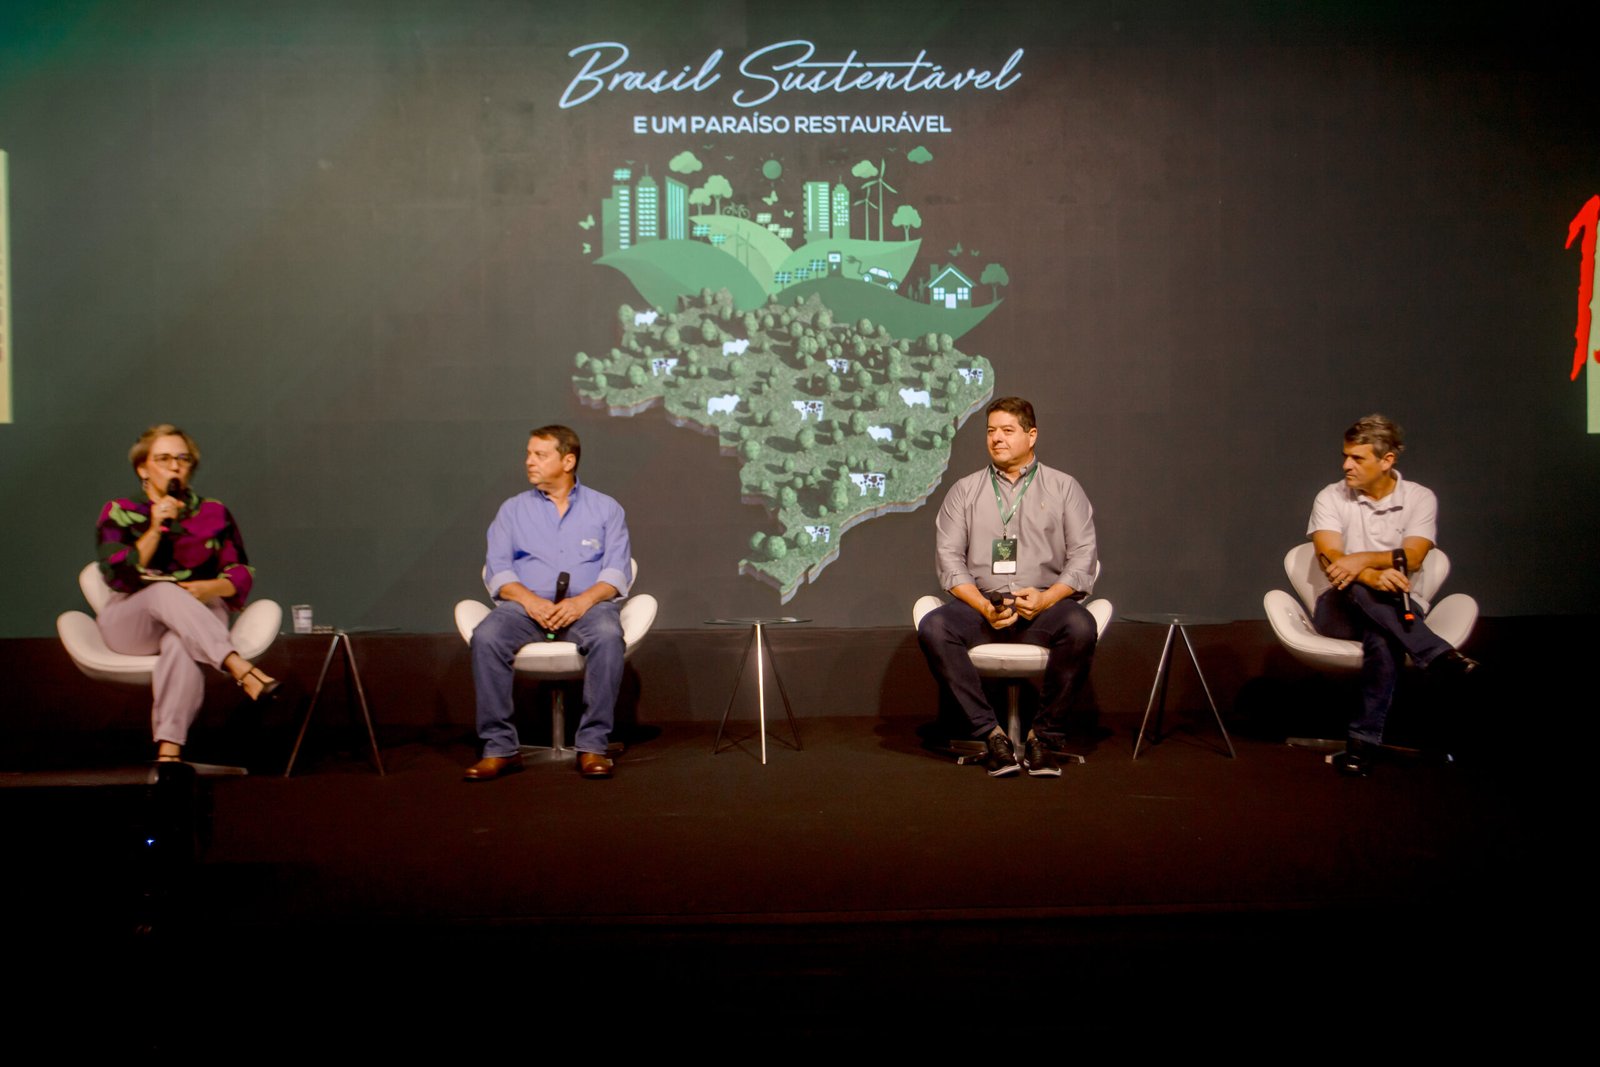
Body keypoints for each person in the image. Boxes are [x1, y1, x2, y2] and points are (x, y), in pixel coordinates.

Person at [917, 397, 1100, 778]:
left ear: (1031, 436)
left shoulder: (1064, 487)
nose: (996, 438)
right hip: (984, 605)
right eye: (990, 431)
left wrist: (1047, 598)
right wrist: (984, 607)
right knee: (934, 626)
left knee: (1081, 625)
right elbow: (949, 560)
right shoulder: (965, 491)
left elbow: (1083, 556)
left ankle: (1042, 738)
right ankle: (991, 735)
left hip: (1044, 605)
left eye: (1007, 430)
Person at [96, 424, 278, 763]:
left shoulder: (213, 513)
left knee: (181, 644)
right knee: (163, 592)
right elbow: (115, 574)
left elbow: (240, 571)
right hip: (133, 620)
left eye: (183, 459)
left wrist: (211, 587)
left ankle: (169, 755)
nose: (175, 466)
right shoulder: (120, 510)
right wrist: (155, 528)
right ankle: (240, 668)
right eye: (164, 459)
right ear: (143, 468)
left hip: (198, 615)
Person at [1307, 414, 1477, 777]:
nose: (1346, 465)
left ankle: (1360, 748)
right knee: (1358, 586)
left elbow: (1413, 557)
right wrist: (1370, 575)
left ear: (1387, 460)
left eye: (1357, 458)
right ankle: (1437, 654)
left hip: (1398, 609)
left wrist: (1359, 559)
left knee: (1382, 636)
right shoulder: (1330, 496)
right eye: (1345, 456)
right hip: (1339, 608)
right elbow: (1331, 558)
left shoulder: (1419, 497)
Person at [465, 425, 632, 781]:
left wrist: (581, 602)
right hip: (525, 609)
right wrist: (531, 602)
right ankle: (499, 748)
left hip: (588, 608)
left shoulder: (606, 509)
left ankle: (592, 746)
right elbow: (498, 570)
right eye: (528, 454)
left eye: (540, 455)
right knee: (487, 637)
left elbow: (616, 572)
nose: (529, 461)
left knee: (608, 635)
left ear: (567, 461)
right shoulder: (512, 510)